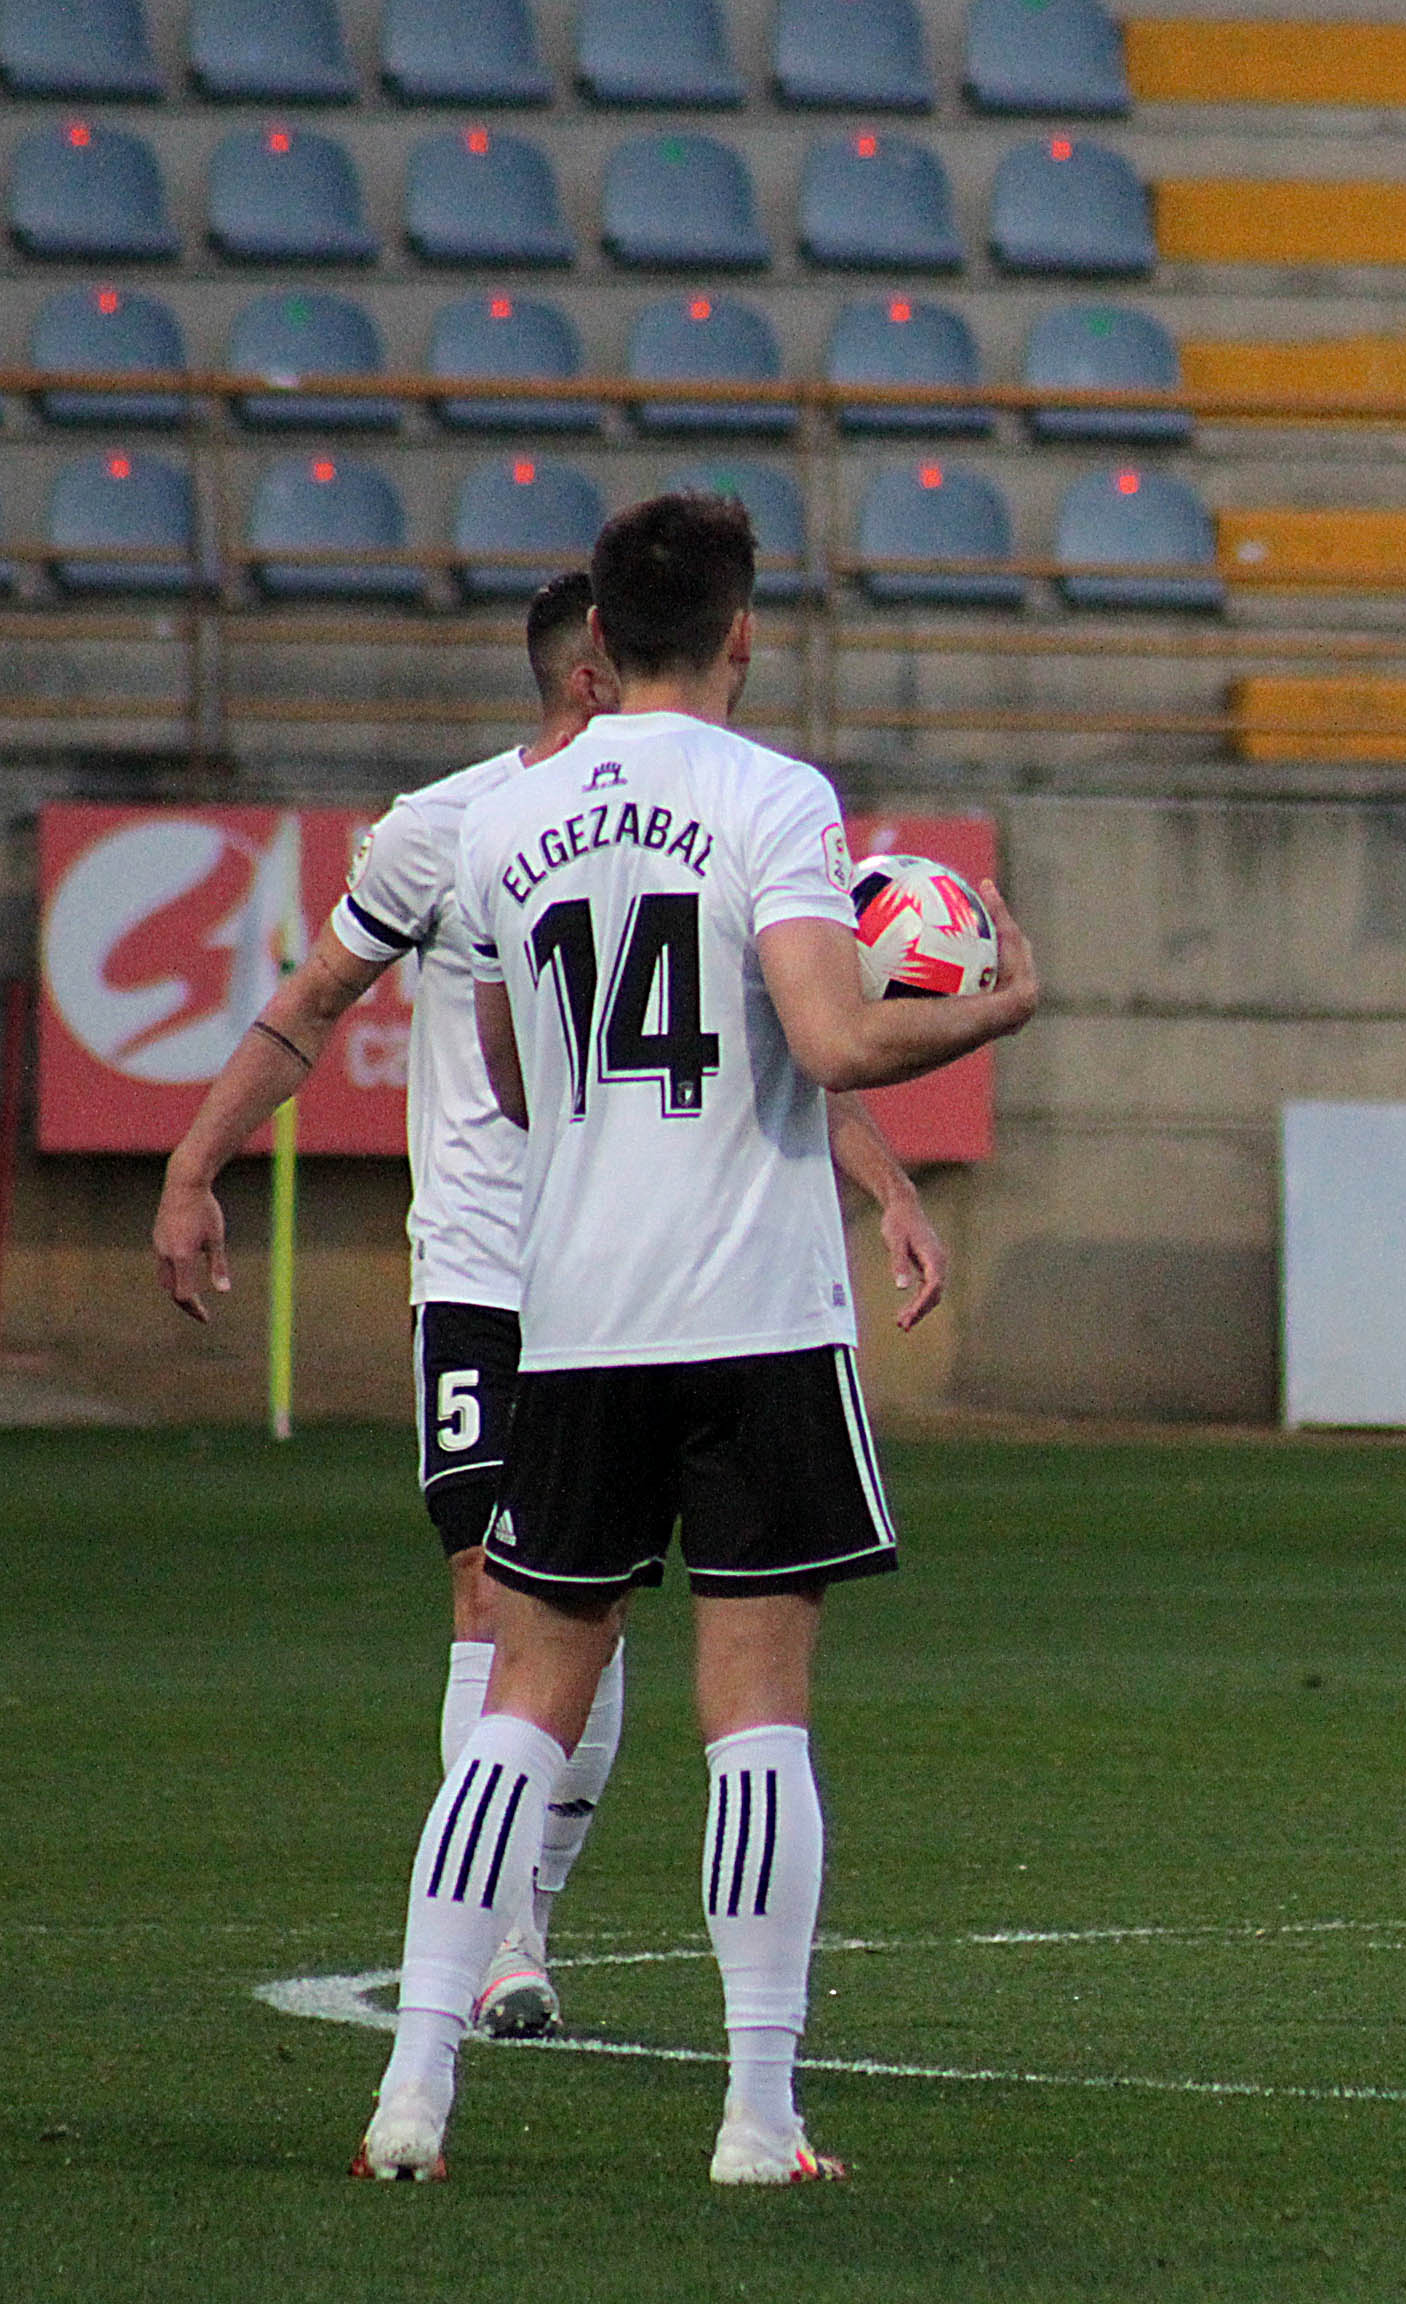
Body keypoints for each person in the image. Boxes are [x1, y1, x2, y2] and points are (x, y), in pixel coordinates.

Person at [151, 575, 950, 2038]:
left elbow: (763, 1041)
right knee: (495, 1597)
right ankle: (511, 1943)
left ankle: (521, 1924)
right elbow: (314, 1001)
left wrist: (884, 1182)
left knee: (589, 1630)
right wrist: (195, 1161)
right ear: (600, 672)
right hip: (481, 1270)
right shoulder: (449, 827)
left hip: (621, 1285)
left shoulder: (688, 817)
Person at [349, 494, 1034, 2185]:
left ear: (596, 648)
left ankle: (411, 2093)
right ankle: (757, 2114)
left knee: (519, 1703)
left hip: (573, 1314)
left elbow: (509, 1077)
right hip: (750, 1315)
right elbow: (834, 1032)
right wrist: (997, 999)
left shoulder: (511, 825)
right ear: (743, 634)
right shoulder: (772, 797)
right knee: (757, 1714)